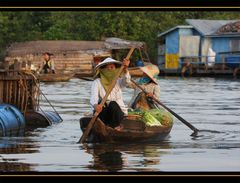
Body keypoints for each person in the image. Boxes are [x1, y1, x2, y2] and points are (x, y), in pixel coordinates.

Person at [90, 57, 130, 131]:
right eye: (109, 67)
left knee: (112, 104)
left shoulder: (118, 81)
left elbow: (127, 81)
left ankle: (117, 127)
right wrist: (96, 106)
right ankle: (103, 126)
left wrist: (125, 69)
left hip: (118, 113)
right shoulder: (97, 82)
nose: (111, 70)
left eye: (113, 67)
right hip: (104, 112)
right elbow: (93, 97)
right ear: (103, 69)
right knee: (102, 103)